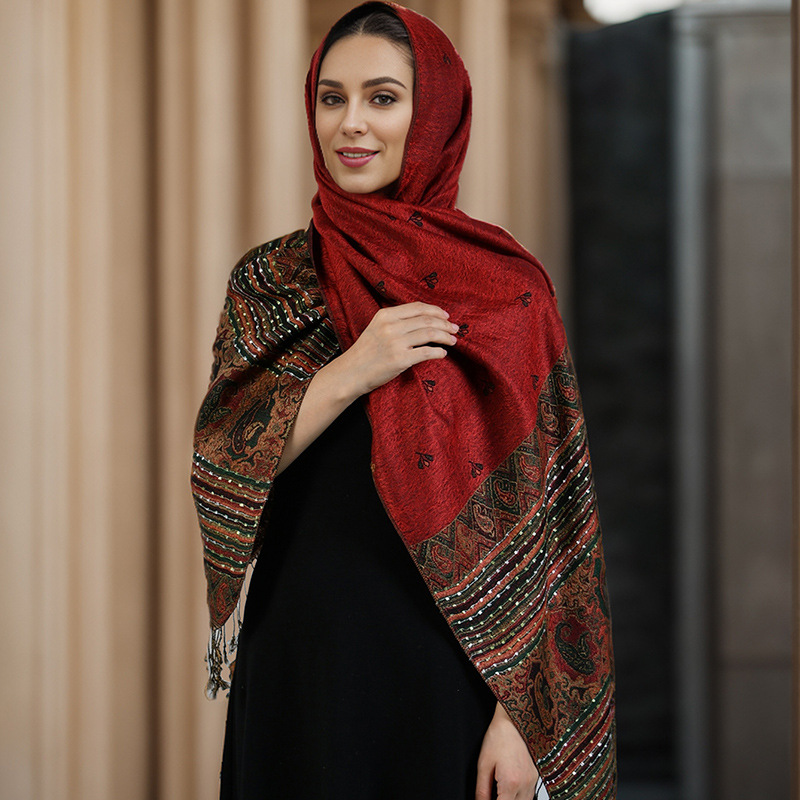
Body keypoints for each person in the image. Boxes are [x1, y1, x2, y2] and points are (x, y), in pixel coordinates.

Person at [191, 3, 617, 799]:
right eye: (331, 97)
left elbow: (556, 524)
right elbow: (224, 459)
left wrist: (521, 720)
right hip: (301, 663)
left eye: (382, 98)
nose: (350, 123)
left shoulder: (508, 292)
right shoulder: (270, 281)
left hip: (447, 675)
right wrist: (355, 368)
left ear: (435, 114)